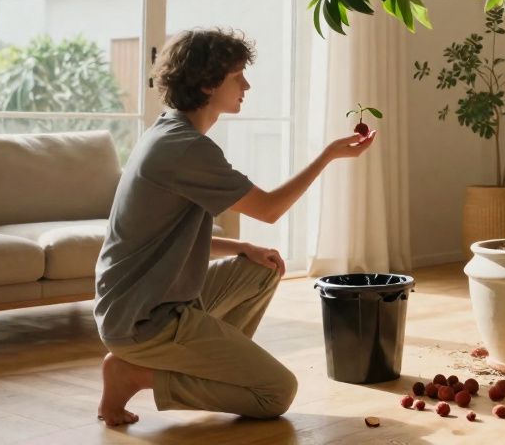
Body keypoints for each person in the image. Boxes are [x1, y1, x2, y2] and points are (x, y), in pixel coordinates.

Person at [92, 28, 375, 426]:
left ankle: (197, 362)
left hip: (142, 302)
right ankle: (136, 374)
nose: (247, 84)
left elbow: (165, 239)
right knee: (275, 393)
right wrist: (327, 155)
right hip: (143, 320)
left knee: (260, 268)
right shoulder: (184, 148)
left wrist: (242, 247)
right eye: (237, 75)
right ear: (208, 83)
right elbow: (271, 208)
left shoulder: (170, 132)